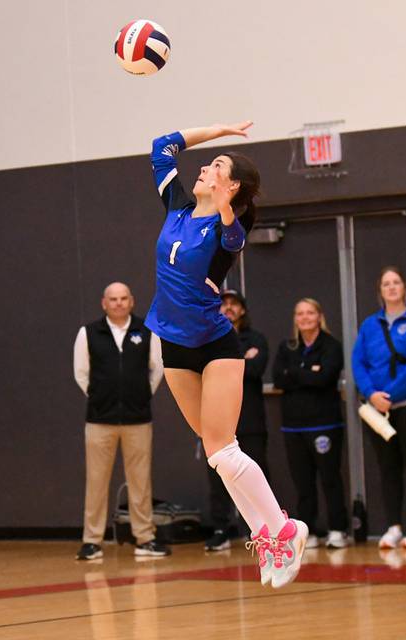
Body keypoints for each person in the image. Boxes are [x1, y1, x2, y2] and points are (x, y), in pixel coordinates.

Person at [145, 121, 308, 589]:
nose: (204, 166)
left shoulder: (228, 225)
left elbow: (234, 241)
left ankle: (283, 530)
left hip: (215, 344)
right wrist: (218, 132)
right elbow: (162, 146)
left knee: (223, 447)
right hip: (173, 342)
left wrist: (226, 210)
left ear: (231, 185)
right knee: (219, 456)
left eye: (216, 166)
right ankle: (270, 533)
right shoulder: (176, 205)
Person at [73, 282, 171, 560]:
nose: (118, 303)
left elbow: (157, 369)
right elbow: (82, 374)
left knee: (140, 482)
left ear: (132, 301)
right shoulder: (88, 333)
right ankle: (92, 541)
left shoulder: (147, 331)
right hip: (99, 421)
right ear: (104, 303)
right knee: (96, 481)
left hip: (138, 420)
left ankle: (145, 538)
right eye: (113, 299)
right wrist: (101, 398)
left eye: (123, 298)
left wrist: (138, 397)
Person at [352, 266, 406, 549]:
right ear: (380, 291)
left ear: (404, 287)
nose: (391, 287)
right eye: (386, 283)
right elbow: (358, 362)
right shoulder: (369, 326)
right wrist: (371, 393)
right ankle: (394, 526)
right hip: (377, 410)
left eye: (396, 282)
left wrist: (392, 393)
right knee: (388, 467)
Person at [272, 298, 350, 549]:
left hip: (324, 424)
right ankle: (309, 531)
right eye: (300, 314)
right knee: (303, 482)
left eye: (309, 313)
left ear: (319, 316)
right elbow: (278, 379)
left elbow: (325, 378)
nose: (304, 318)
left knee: (330, 478)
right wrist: (308, 372)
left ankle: (338, 529)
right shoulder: (287, 347)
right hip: (293, 426)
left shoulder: (331, 346)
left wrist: (295, 373)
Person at [204, 289, 270, 552]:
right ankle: (221, 528)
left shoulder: (256, 338)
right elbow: (208, 372)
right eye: (223, 304)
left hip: (250, 419)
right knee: (219, 476)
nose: (228, 308)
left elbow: (255, 370)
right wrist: (243, 359)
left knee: (254, 471)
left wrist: (229, 366)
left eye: (234, 304)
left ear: (242, 310)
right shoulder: (207, 339)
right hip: (219, 419)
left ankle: (262, 528)